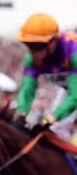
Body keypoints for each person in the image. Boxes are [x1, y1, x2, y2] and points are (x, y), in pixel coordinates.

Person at [13, 13, 77, 142]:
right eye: (29, 45)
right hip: (70, 88)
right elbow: (27, 88)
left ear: (54, 41)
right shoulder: (31, 59)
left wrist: (52, 117)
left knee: (55, 121)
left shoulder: (72, 51)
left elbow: (75, 94)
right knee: (56, 129)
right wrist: (21, 113)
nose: (32, 51)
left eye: (38, 46)